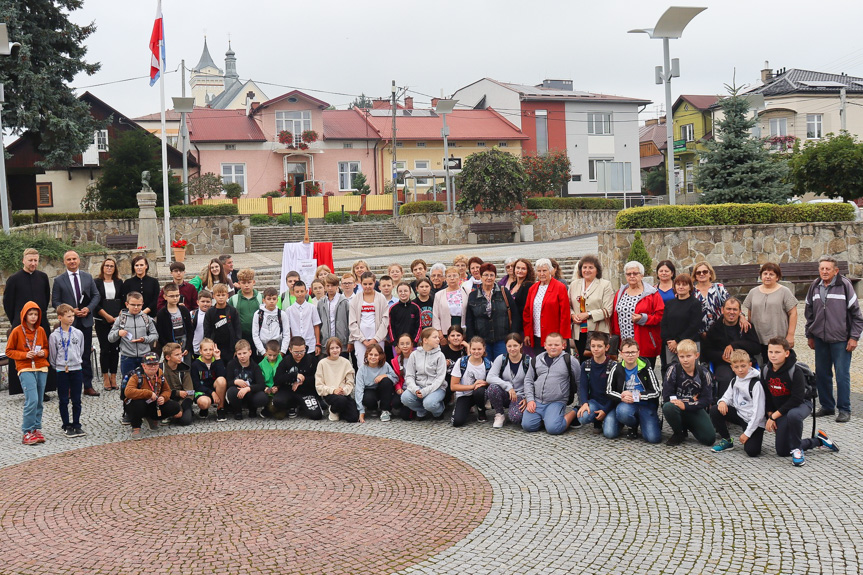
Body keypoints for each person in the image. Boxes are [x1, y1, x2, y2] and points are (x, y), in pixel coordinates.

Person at [804, 256, 863, 423]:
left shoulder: (844, 285)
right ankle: (827, 406)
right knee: (822, 374)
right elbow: (809, 313)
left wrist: (854, 337)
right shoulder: (815, 286)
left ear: (836, 271)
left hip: (841, 339)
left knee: (842, 374)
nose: (824, 271)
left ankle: (844, 409)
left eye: (828, 269)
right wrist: (810, 334)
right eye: (822, 268)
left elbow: (857, 316)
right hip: (820, 338)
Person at [764, 337, 839, 466]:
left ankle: (798, 450)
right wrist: (771, 414)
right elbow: (767, 395)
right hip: (781, 410)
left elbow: (796, 399)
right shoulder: (765, 370)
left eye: (777, 352)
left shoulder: (795, 371)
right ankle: (818, 441)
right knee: (782, 451)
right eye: (770, 352)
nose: (773, 355)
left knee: (793, 415)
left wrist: (775, 415)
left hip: (801, 404)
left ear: (786, 353)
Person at [3, 248, 52, 396]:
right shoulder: (13, 279)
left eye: (35, 260)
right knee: (24, 354)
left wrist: (40, 316)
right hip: (20, 323)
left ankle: (43, 389)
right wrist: (17, 322)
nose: (33, 263)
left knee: (42, 353)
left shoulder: (43, 277)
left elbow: (45, 298)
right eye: (30, 260)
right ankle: (25, 389)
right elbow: (8, 303)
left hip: (41, 322)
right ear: (23, 260)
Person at [52, 250, 101, 396]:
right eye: (69, 259)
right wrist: (70, 310)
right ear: (64, 262)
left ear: (79, 260)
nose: (72, 261)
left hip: (85, 321)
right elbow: (55, 301)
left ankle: (87, 385)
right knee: (66, 353)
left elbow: (96, 295)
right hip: (68, 323)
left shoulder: (87, 277)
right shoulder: (59, 280)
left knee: (85, 354)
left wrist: (88, 308)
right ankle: (68, 387)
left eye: (74, 259)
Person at [521, 332, 580, 435]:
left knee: (554, 429)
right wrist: (530, 400)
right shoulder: (536, 360)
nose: (553, 347)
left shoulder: (570, 361)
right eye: (550, 345)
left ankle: (574, 412)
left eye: (557, 345)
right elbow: (528, 380)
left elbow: (579, 382)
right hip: (537, 401)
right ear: (544, 345)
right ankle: (548, 418)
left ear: (563, 345)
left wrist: (581, 404)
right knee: (527, 426)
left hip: (557, 401)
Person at [710, 349, 766, 456]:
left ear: (749, 365)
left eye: (743, 366)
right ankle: (727, 440)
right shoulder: (734, 381)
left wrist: (747, 433)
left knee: (752, 451)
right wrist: (722, 402)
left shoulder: (756, 384)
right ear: (732, 367)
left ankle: (752, 436)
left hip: (753, 420)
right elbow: (726, 397)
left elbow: (759, 413)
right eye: (736, 367)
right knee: (715, 409)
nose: (740, 370)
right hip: (740, 415)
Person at [8, 302, 50, 444]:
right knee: (31, 399)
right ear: (24, 315)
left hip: (41, 367)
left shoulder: (41, 331)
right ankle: (27, 430)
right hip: (25, 368)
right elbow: (9, 351)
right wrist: (24, 355)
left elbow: (46, 348)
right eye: (30, 314)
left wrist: (43, 352)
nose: (33, 317)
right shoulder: (17, 331)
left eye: (35, 314)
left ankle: (36, 429)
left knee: (39, 401)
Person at [703, 297, 762, 399]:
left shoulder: (746, 326)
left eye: (735, 309)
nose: (731, 312)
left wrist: (734, 345)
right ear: (722, 310)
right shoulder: (715, 328)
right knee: (725, 379)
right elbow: (707, 352)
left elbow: (756, 348)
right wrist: (721, 356)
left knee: (748, 380)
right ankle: (724, 407)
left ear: (740, 311)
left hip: (745, 364)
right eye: (728, 309)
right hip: (724, 364)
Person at [607, 338, 662, 444]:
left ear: (638, 353)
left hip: (646, 404)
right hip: (626, 404)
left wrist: (637, 395)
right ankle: (632, 425)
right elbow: (609, 390)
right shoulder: (616, 368)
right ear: (621, 354)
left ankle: (652, 421)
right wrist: (622, 396)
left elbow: (656, 391)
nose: (630, 355)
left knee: (653, 439)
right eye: (627, 352)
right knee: (619, 417)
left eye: (633, 352)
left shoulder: (646, 368)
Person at [609, 261, 664, 367]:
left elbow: (660, 316)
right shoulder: (620, 293)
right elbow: (615, 317)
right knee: (628, 374)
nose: (632, 276)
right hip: (625, 344)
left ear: (642, 275)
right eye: (629, 274)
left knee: (645, 375)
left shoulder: (652, 294)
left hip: (644, 342)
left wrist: (643, 318)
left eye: (635, 273)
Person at [661, 339, 716, 447]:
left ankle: (689, 423)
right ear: (678, 356)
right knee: (668, 407)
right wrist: (689, 400)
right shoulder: (673, 370)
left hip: (695, 408)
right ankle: (679, 432)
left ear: (696, 355)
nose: (685, 360)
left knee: (709, 439)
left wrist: (686, 405)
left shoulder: (704, 373)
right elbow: (667, 396)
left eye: (689, 356)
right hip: (677, 406)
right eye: (682, 357)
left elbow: (707, 399)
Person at [743, 262, 798, 363]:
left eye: (771, 274)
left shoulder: (784, 292)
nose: (768, 277)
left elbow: (793, 313)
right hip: (758, 337)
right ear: (761, 276)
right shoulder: (753, 292)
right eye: (765, 274)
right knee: (762, 366)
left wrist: (790, 335)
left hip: (778, 336)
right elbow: (750, 314)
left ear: (777, 277)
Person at [123, 352, 181, 440]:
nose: (153, 367)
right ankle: (136, 428)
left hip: (153, 402)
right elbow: (128, 392)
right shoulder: (136, 376)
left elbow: (167, 390)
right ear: (143, 365)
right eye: (150, 365)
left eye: (155, 364)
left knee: (175, 407)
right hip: (136, 403)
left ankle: (152, 418)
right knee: (138, 405)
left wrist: (163, 397)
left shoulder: (160, 374)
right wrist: (148, 393)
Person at [49, 304, 86, 437]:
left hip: (76, 368)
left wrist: (76, 360)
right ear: (60, 317)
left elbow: (80, 350)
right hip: (61, 369)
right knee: (63, 399)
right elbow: (53, 354)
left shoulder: (78, 333)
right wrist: (58, 365)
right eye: (68, 316)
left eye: (73, 316)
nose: (71, 319)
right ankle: (66, 425)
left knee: (76, 399)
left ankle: (77, 423)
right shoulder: (54, 336)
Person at [464, 263, 514, 359]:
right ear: (481, 276)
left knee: (501, 366)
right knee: (485, 368)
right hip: (481, 340)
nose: (489, 278)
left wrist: (513, 335)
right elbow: (469, 320)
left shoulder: (503, 292)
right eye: (486, 275)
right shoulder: (473, 295)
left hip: (502, 339)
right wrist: (471, 341)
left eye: (492, 275)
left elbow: (514, 314)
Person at [523, 258, 571, 357]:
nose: (542, 274)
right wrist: (528, 333)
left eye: (544, 270)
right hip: (537, 335)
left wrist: (564, 337)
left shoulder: (560, 287)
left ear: (550, 271)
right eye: (539, 271)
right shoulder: (532, 289)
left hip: (554, 337)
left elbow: (565, 314)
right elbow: (527, 312)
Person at [568, 255, 613, 359]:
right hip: (579, 331)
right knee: (582, 360)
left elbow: (608, 310)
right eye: (584, 267)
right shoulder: (574, 284)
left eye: (591, 267)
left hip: (597, 331)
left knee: (596, 360)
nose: (587, 270)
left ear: (597, 270)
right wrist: (573, 315)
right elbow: (568, 305)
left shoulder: (605, 285)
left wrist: (588, 314)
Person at [576, 332, 618, 438]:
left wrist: (605, 410)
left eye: (599, 346)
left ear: (607, 347)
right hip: (595, 402)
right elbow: (583, 386)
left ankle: (614, 421)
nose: (596, 349)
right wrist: (584, 403)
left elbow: (617, 391)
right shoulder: (586, 365)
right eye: (593, 346)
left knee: (609, 433)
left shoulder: (613, 366)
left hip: (611, 404)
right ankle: (597, 420)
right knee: (583, 417)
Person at [401, 327, 448, 419]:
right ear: (425, 340)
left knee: (429, 403)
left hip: (436, 388)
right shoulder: (414, 355)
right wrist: (415, 389)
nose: (438, 339)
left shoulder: (440, 355)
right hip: (419, 386)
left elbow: (440, 378)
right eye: (435, 337)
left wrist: (425, 391)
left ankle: (438, 411)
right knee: (405, 398)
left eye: (438, 337)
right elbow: (409, 375)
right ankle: (422, 410)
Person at [660, 273, 702, 373]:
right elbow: (664, 323)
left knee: (690, 373)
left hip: (689, 344)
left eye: (684, 284)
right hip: (671, 347)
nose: (681, 287)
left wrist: (678, 341)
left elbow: (694, 326)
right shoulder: (670, 303)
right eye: (678, 284)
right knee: (672, 373)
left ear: (690, 287)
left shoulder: (695, 303)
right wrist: (669, 341)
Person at [109, 291, 159, 377]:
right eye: (133, 305)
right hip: (127, 357)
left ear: (142, 304)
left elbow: (155, 335)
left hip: (145, 356)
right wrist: (118, 333)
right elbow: (110, 338)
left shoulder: (146, 318)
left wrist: (144, 339)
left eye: (139, 305)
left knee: (145, 382)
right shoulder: (121, 319)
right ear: (127, 304)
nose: (136, 307)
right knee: (127, 383)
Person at [273, 336, 323, 420]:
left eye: (302, 351)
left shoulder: (311, 360)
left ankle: (305, 405)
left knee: (316, 415)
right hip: (288, 390)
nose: (299, 354)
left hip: (306, 391)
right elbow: (277, 379)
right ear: (290, 350)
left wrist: (303, 380)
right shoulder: (285, 361)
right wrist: (293, 375)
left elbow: (318, 379)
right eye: (296, 352)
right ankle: (293, 405)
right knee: (278, 401)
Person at [486, 333, 529, 428]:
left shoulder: (528, 361)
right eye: (509, 346)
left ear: (521, 345)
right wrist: (508, 387)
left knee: (516, 418)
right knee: (492, 388)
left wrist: (528, 398)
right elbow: (490, 377)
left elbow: (534, 382)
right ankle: (499, 414)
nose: (512, 349)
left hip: (520, 396)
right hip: (505, 394)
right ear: (505, 346)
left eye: (515, 345)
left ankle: (514, 410)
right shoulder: (501, 359)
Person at [94, 257, 124, 390]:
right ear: (103, 267)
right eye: (107, 265)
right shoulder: (97, 282)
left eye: (112, 266)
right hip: (102, 320)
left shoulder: (119, 282)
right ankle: (105, 376)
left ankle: (113, 376)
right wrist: (106, 316)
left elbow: (123, 301)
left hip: (117, 320)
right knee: (105, 349)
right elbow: (95, 302)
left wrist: (116, 319)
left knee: (115, 349)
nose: (109, 268)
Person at [449, 336, 491, 426]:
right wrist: (472, 386)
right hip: (464, 395)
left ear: (484, 349)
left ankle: (481, 410)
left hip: (480, 394)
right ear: (470, 349)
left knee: (479, 391)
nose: (476, 352)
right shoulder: (461, 362)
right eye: (474, 349)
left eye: (479, 349)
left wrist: (485, 383)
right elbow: (453, 386)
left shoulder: (488, 364)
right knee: (457, 422)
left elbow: (494, 382)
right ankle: (467, 408)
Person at [316, 337, 359, 422]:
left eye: (337, 347)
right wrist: (333, 390)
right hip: (330, 393)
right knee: (340, 400)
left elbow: (350, 382)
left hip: (343, 393)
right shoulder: (322, 363)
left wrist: (344, 390)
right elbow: (319, 386)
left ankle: (340, 410)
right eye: (332, 348)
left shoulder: (346, 362)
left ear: (340, 348)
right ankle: (333, 410)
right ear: (328, 350)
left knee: (353, 418)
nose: (335, 350)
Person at [349, 272, 390, 360]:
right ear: (360, 283)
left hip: (378, 338)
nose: (367, 286)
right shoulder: (355, 299)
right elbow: (352, 322)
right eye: (365, 284)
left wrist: (376, 339)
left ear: (375, 283)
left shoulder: (381, 298)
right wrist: (362, 340)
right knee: (362, 363)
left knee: (377, 363)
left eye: (370, 284)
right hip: (360, 339)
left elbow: (385, 320)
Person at [355, 343, 398, 423]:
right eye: (371, 354)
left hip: (383, 390)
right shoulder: (362, 369)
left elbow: (395, 379)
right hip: (370, 390)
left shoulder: (385, 365)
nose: (373, 357)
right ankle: (372, 408)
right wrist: (361, 411)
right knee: (368, 399)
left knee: (386, 381)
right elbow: (359, 390)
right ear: (367, 355)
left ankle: (385, 410)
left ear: (380, 356)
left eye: (376, 355)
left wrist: (385, 375)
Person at [225, 339, 267, 420]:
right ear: (236, 354)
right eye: (239, 354)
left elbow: (261, 384)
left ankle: (252, 409)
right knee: (231, 391)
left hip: (250, 393)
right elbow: (227, 382)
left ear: (250, 352)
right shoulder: (231, 364)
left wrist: (248, 389)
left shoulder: (255, 366)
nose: (242, 356)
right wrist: (235, 381)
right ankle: (237, 411)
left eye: (244, 353)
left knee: (263, 397)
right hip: (237, 391)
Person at [190, 338, 227, 421]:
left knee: (221, 380)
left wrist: (218, 358)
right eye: (205, 350)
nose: (208, 352)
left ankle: (220, 409)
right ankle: (204, 409)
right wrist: (212, 392)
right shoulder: (195, 364)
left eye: (211, 349)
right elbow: (196, 385)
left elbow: (222, 376)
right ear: (200, 351)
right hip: (202, 390)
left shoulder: (217, 361)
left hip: (216, 390)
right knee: (204, 403)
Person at [155, 283, 194, 362]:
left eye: (177, 295)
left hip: (184, 342)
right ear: (165, 297)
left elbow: (190, 329)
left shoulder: (184, 310)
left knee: (186, 367)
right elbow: (160, 334)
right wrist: (168, 348)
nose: (175, 298)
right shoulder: (162, 313)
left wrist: (188, 347)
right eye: (172, 296)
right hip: (170, 345)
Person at [692, 261, 731, 337]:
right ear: (695, 276)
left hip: (718, 332)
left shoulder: (719, 288)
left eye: (705, 272)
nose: (702, 274)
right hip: (697, 333)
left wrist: (741, 316)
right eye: (698, 273)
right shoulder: (691, 291)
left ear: (710, 274)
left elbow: (730, 303)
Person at [229, 268, 263, 354]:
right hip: (241, 336)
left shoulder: (260, 297)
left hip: (259, 336)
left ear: (253, 282)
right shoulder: (234, 299)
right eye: (243, 283)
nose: (246, 285)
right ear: (239, 283)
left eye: (249, 282)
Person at [161, 342, 195, 426]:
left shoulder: (184, 369)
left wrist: (180, 408)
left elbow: (190, 392)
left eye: (181, 354)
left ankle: (183, 412)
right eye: (177, 355)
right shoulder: (160, 369)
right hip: (166, 399)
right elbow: (159, 390)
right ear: (168, 357)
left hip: (182, 400)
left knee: (186, 421)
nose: (180, 356)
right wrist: (177, 393)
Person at [204, 284, 242, 357]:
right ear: (214, 296)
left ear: (227, 295)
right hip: (215, 347)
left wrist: (237, 348)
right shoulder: (210, 312)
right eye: (218, 295)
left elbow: (238, 330)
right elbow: (207, 331)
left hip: (230, 347)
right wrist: (209, 347)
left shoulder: (233, 311)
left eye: (223, 295)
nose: (221, 297)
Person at [318, 273, 350, 357]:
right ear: (324, 287)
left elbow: (349, 322)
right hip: (326, 342)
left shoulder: (344, 302)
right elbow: (319, 323)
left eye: (332, 285)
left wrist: (350, 341)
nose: (330, 288)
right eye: (327, 285)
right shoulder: (321, 303)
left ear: (337, 286)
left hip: (341, 342)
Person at [252, 287, 290, 358]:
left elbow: (286, 334)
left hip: (278, 348)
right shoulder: (258, 314)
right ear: (264, 300)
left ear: (277, 300)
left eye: (274, 299)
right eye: (269, 299)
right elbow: (255, 335)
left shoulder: (282, 314)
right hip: (263, 349)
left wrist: (282, 352)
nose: (271, 301)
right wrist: (263, 352)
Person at [287, 281, 322, 357]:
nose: (300, 294)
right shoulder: (289, 310)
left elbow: (316, 326)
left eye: (302, 291)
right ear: (293, 293)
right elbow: (289, 329)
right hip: (296, 346)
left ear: (306, 292)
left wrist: (318, 343)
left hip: (311, 344)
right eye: (297, 291)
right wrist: (291, 344)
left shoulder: (312, 307)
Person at [432, 266, 465, 340]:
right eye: (449, 276)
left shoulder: (466, 292)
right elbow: (435, 315)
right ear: (445, 279)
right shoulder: (439, 294)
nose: (452, 278)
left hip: (462, 327)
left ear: (459, 277)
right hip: (445, 329)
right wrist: (439, 332)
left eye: (454, 275)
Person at [508, 258, 535, 338]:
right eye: (518, 268)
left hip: (522, 325)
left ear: (528, 271)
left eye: (523, 269)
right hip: (513, 322)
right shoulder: (513, 284)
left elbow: (527, 308)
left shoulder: (528, 285)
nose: (520, 270)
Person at [390, 333, 415, 420]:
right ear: (398, 346)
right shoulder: (395, 361)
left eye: (407, 343)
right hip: (403, 388)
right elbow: (396, 377)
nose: (405, 346)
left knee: (406, 416)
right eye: (402, 344)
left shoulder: (417, 357)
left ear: (412, 345)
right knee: (395, 403)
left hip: (414, 388)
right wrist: (398, 388)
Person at [259, 340, 283, 417]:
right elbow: (260, 380)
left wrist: (278, 387)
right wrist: (265, 388)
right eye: (269, 355)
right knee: (273, 410)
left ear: (279, 352)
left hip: (280, 391)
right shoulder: (261, 364)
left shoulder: (282, 362)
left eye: (275, 355)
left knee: (280, 416)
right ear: (265, 352)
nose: (272, 358)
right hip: (268, 392)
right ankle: (269, 408)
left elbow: (284, 378)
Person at [191, 290, 212, 355]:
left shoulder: (214, 314)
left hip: (210, 350)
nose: (205, 304)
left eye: (208, 302)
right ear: (198, 302)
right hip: (195, 349)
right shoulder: (192, 314)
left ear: (211, 302)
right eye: (203, 301)